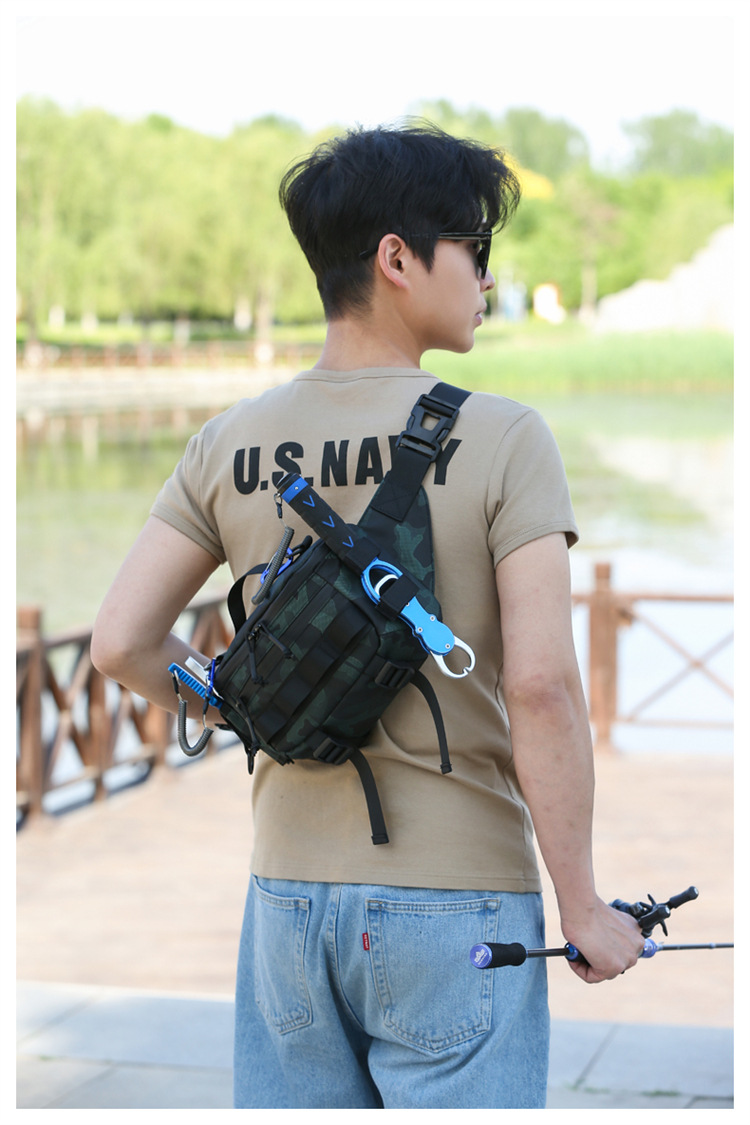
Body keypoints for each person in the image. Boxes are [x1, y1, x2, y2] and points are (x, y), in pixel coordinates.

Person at [91, 121, 643, 1109]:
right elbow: (541, 686)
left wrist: (247, 711)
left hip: (286, 900)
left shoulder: (229, 442)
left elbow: (121, 642)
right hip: (457, 905)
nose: (485, 276)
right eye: (474, 246)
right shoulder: (504, 436)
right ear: (398, 258)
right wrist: (584, 906)